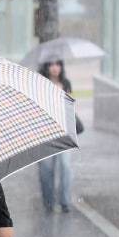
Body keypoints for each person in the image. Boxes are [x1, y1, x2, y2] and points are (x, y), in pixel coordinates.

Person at [37, 60, 74, 213]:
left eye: (58, 64)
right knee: (46, 169)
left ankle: (65, 201)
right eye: (51, 64)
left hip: (63, 131)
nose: (55, 68)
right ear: (46, 67)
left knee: (66, 166)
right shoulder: (39, 84)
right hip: (45, 131)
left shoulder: (66, 83)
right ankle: (49, 201)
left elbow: (70, 107)